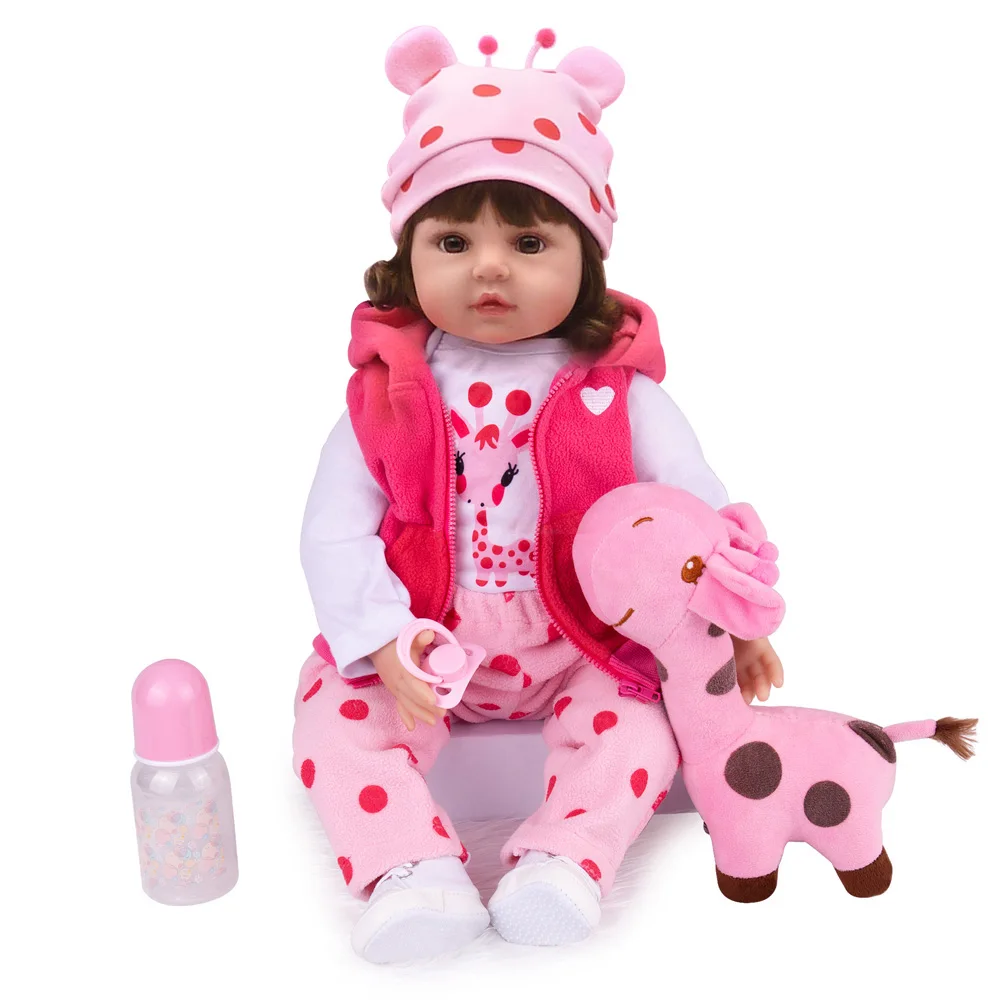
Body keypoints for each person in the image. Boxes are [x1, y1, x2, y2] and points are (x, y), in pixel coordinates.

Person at [293, 26, 783, 963]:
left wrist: (734, 619)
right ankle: (408, 870)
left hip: (582, 640)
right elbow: (334, 531)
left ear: (585, 258)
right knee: (329, 711)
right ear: (408, 255)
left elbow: (693, 510)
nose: (490, 267)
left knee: (638, 720)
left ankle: (566, 862)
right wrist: (380, 639)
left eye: (527, 240)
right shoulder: (389, 396)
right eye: (453, 240)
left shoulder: (622, 394)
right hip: (426, 641)